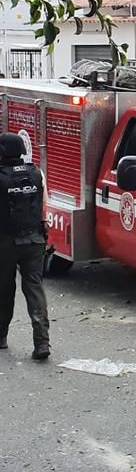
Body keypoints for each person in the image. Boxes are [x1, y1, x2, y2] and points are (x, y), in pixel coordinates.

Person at [0, 132, 50, 360]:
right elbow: (44, 207)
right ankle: (42, 343)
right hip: (34, 240)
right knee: (34, 289)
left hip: (6, 243)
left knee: (4, 290)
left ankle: (1, 336)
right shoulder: (36, 172)